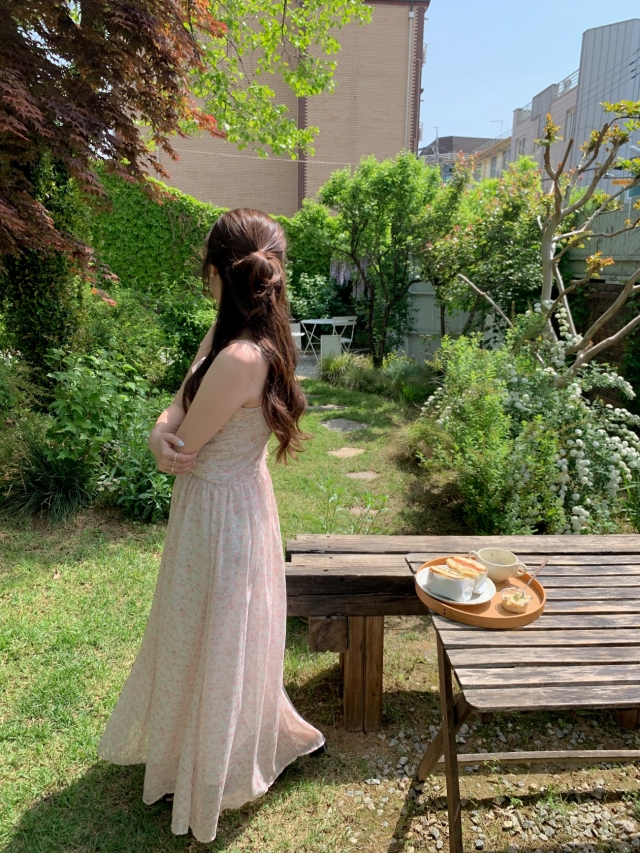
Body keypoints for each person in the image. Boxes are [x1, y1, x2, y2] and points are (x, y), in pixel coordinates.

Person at [98, 209, 325, 843]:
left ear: (218, 272)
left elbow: (185, 445)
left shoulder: (240, 356)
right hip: (231, 502)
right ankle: (194, 742)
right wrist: (158, 429)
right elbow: (177, 409)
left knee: (215, 629)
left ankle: (208, 762)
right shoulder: (238, 339)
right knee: (212, 627)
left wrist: (163, 438)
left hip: (219, 511)